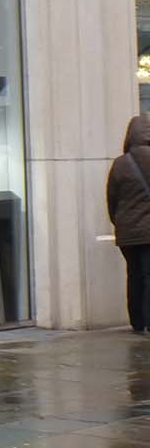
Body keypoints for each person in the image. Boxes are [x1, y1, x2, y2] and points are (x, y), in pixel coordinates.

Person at [108, 116, 150, 333]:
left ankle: (137, 321)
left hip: (127, 231)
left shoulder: (120, 163)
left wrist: (119, 222)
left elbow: (111, 198)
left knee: (134, 274)